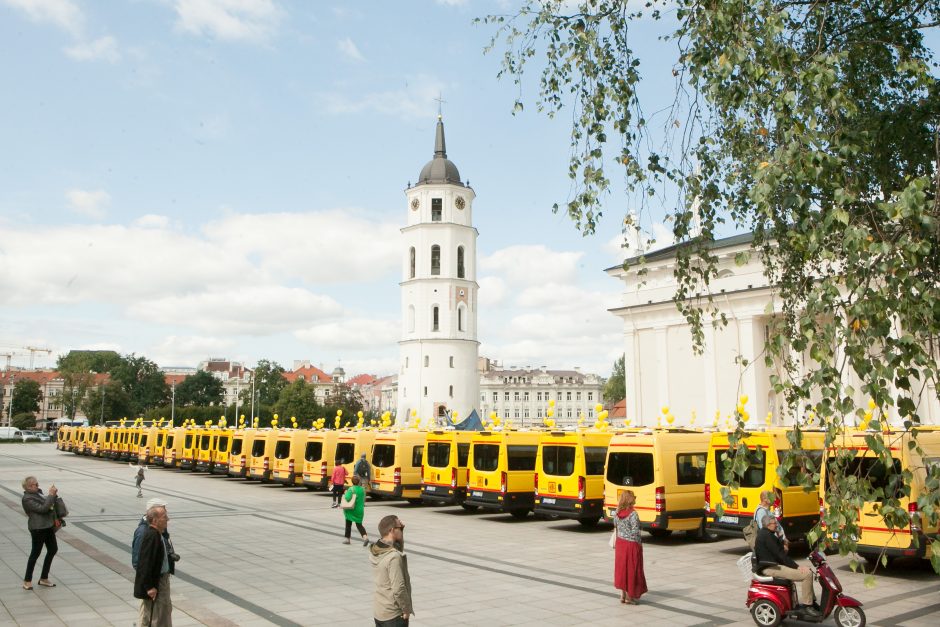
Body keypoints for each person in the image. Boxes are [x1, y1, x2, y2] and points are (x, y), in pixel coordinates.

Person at [755, 516, 817, 614]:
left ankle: (812, 602)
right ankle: (807, 606)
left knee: (808, 570)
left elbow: (778, 551)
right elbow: (781, 556)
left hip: (773, 564)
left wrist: (781, 540)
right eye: (774, 523)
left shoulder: (767, 533)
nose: (776, 525)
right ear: (768, 525)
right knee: (807, 574)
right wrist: (797, 567)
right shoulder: (767, 536)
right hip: (770, 567)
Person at [369, 515, 414, 627]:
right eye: (400, 527)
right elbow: (398, 588)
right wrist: (406, 609)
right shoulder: (393, 557)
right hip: (393, 615)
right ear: (392, 530)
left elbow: (395, 549)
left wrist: (401, 532)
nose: (402, 529)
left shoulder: (377, 549)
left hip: (380, 611)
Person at [134, 505, 173, 626]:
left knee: (163, 614)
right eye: (164, 517)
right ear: (155, 520)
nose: (168, 519)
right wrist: (150, 587)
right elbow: (144, 563)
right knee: (155, 618)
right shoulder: (151, 536)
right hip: (156, 584)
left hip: (161, 581)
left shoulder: (158, 534)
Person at [21, 476, 59, 590]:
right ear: (28, 487)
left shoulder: (38, 494)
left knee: (53, 549)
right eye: (35, 485)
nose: (37, 486)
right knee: (35, 553)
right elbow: (43, 509)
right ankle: (27, 580)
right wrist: (51, 495)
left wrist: (53, 495)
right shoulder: (27, 499)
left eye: (37, 484)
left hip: (47, 526)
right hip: (38, 528)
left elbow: (50, 505)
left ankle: (44, 578)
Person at [613, 489, 647, 605]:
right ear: (629, 499)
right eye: (634, 497)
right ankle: (629, 597)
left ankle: (622, 595)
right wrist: (639, 545)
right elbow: (635, 531)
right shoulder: (633, 514)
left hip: (620, 544)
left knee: (622, 569)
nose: (635, 499)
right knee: (632, 569)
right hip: (631, 544)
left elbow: (615, 526)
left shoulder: (617, 513)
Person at [132, 498, 179, 575]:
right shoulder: (142, 532)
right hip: (155, 578)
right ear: (154, 514)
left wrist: (169, 555)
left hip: (162, 575)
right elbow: (137, 562)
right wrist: (149, 584)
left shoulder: (159, 527)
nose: (167, 518)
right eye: (164, 514)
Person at [341, 475, 370, 546]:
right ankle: (365, 537)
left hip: (351, 510)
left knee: (348, 524)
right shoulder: (362, 489)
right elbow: (364, 498)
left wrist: (345, 493)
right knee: (359, 525)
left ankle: (347, 539)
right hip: (360, 510)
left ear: (352, 481)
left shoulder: (351, 489)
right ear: (359, 481)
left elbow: (347, 498)